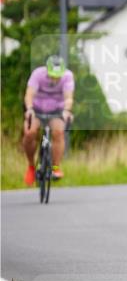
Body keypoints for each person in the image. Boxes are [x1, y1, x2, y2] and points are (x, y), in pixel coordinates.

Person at [22, 55, 75, 184]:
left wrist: (67, 111)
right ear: (47, 70)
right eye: (52, 75)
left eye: (58, 76)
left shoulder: (67, 76)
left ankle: (55, 167)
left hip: (57, 111)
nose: (55, 79)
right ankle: (31, 166)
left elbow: (68, 97)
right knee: (30, 133)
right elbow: (29, 94)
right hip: (37, 109)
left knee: (58, 132)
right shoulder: (38, 74)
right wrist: (29, 109)